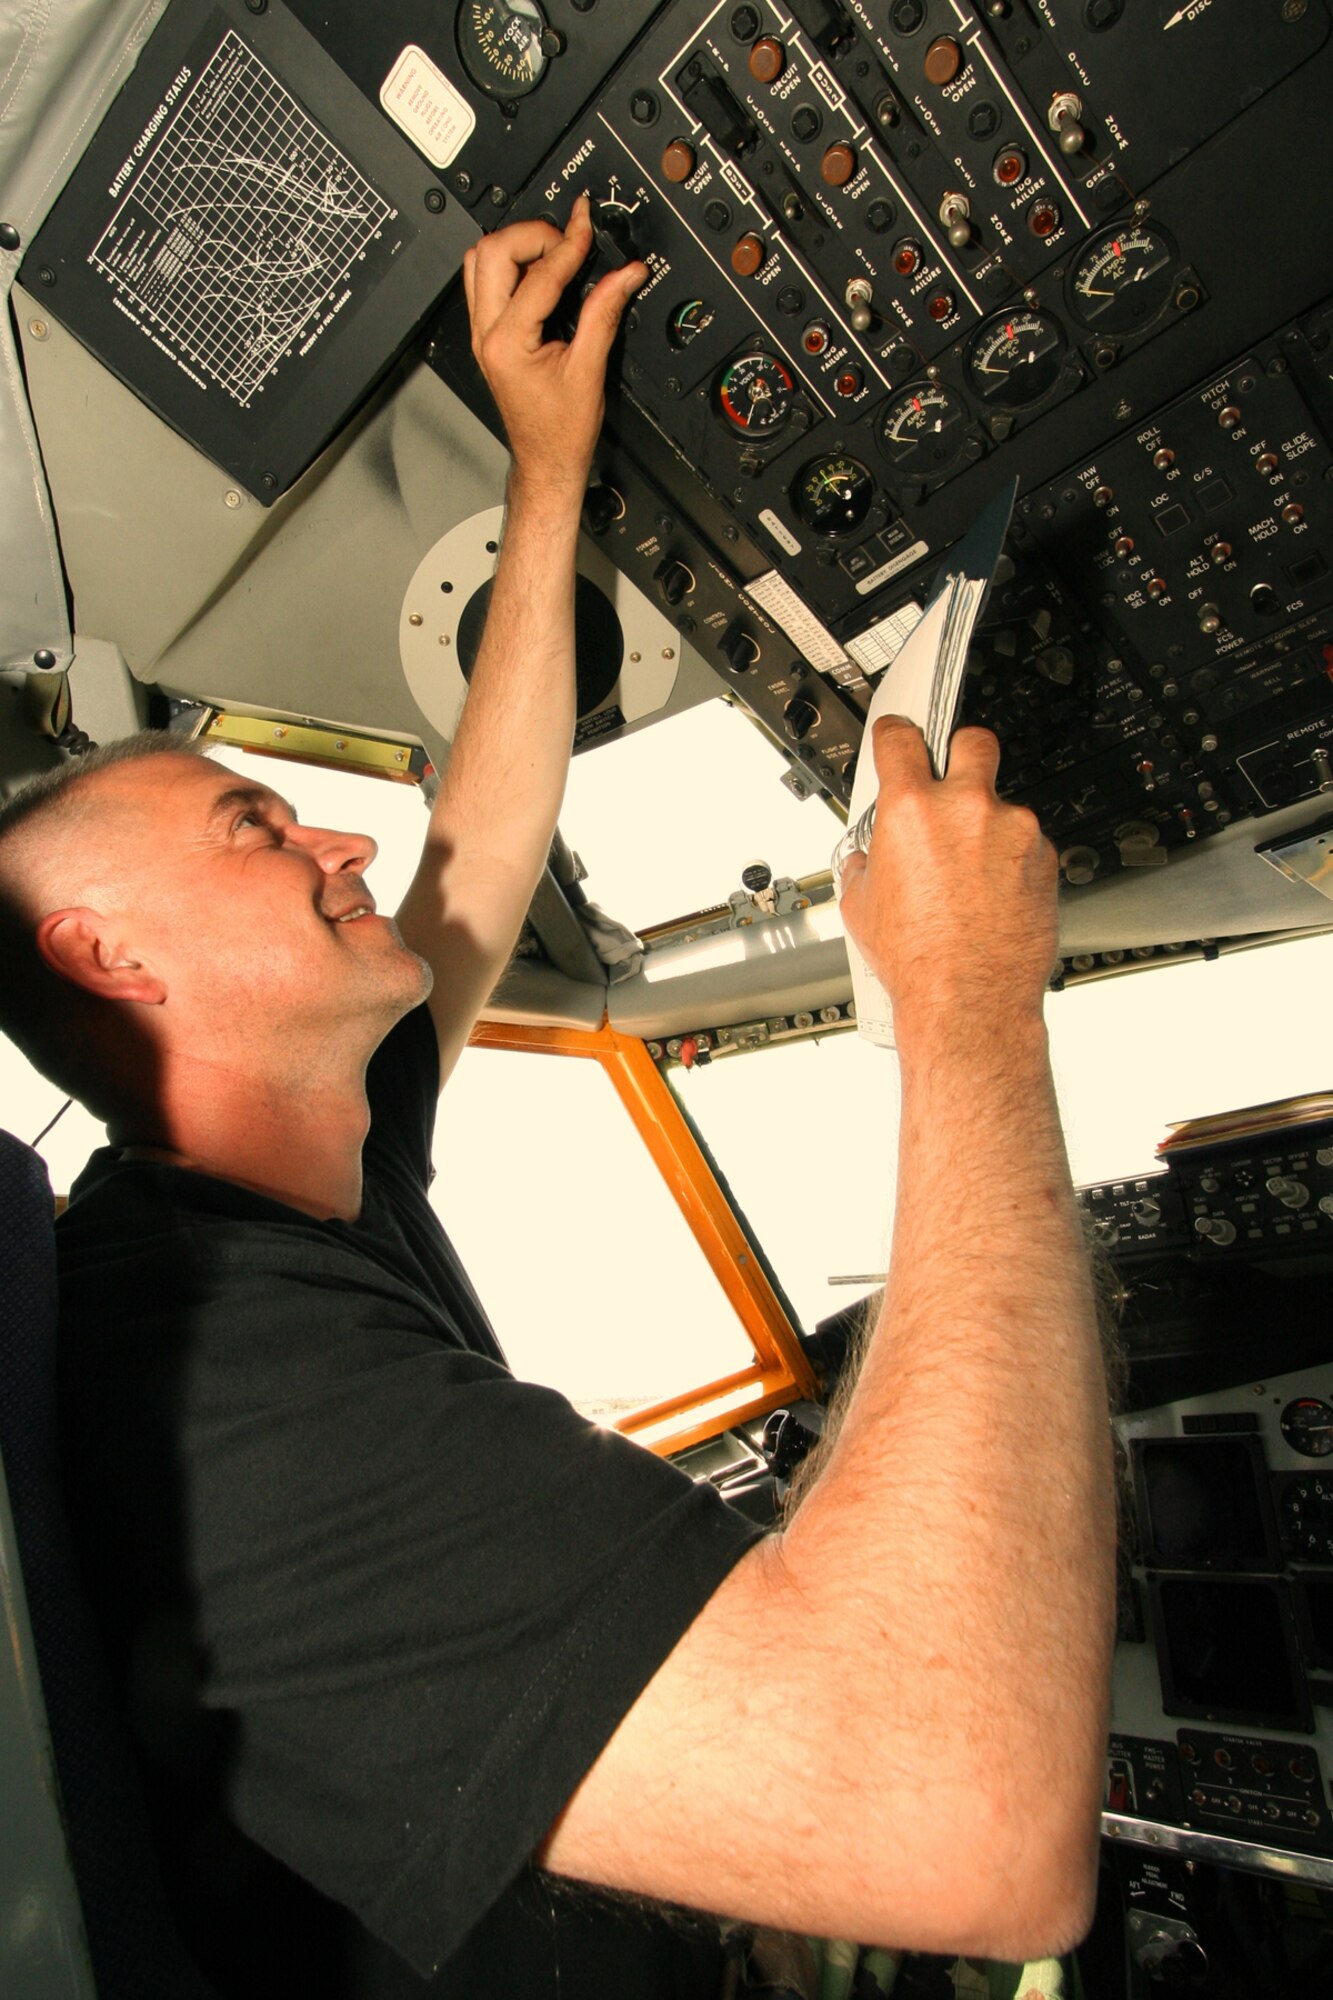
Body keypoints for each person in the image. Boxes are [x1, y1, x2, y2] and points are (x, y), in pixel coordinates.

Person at [0, 197, 1117, 1997]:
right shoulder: (207, 1386)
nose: (341, 834)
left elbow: (484, 830)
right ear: (107, 956)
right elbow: (962, 1823)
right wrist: (975, 1004)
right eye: (256, 827)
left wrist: (548, 466)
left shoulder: (296, 1179)